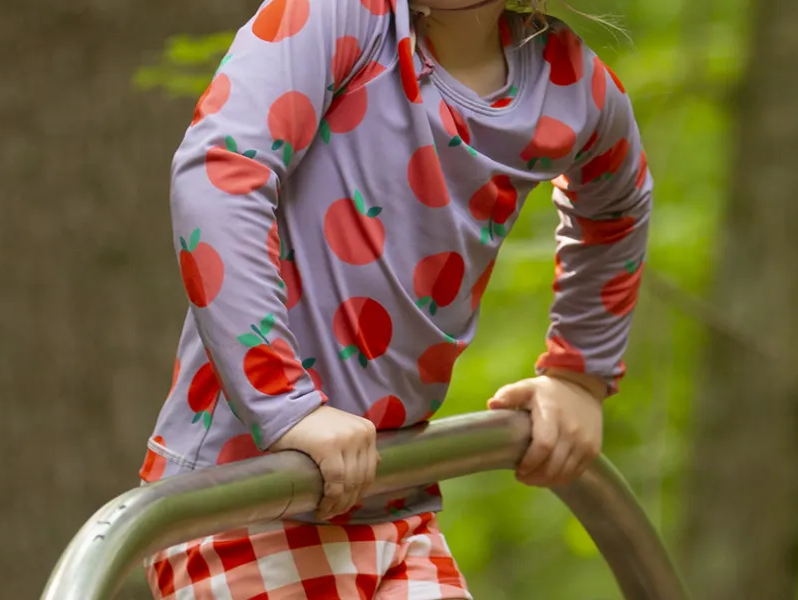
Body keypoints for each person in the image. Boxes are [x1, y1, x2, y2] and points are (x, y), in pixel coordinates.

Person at [138, 0, 652, 596]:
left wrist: (578, 375)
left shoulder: (564, 86)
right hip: (243, 497)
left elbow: (618, 206)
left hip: (393, 499)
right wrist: (286, 403)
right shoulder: (344, 18)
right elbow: (222, 171)